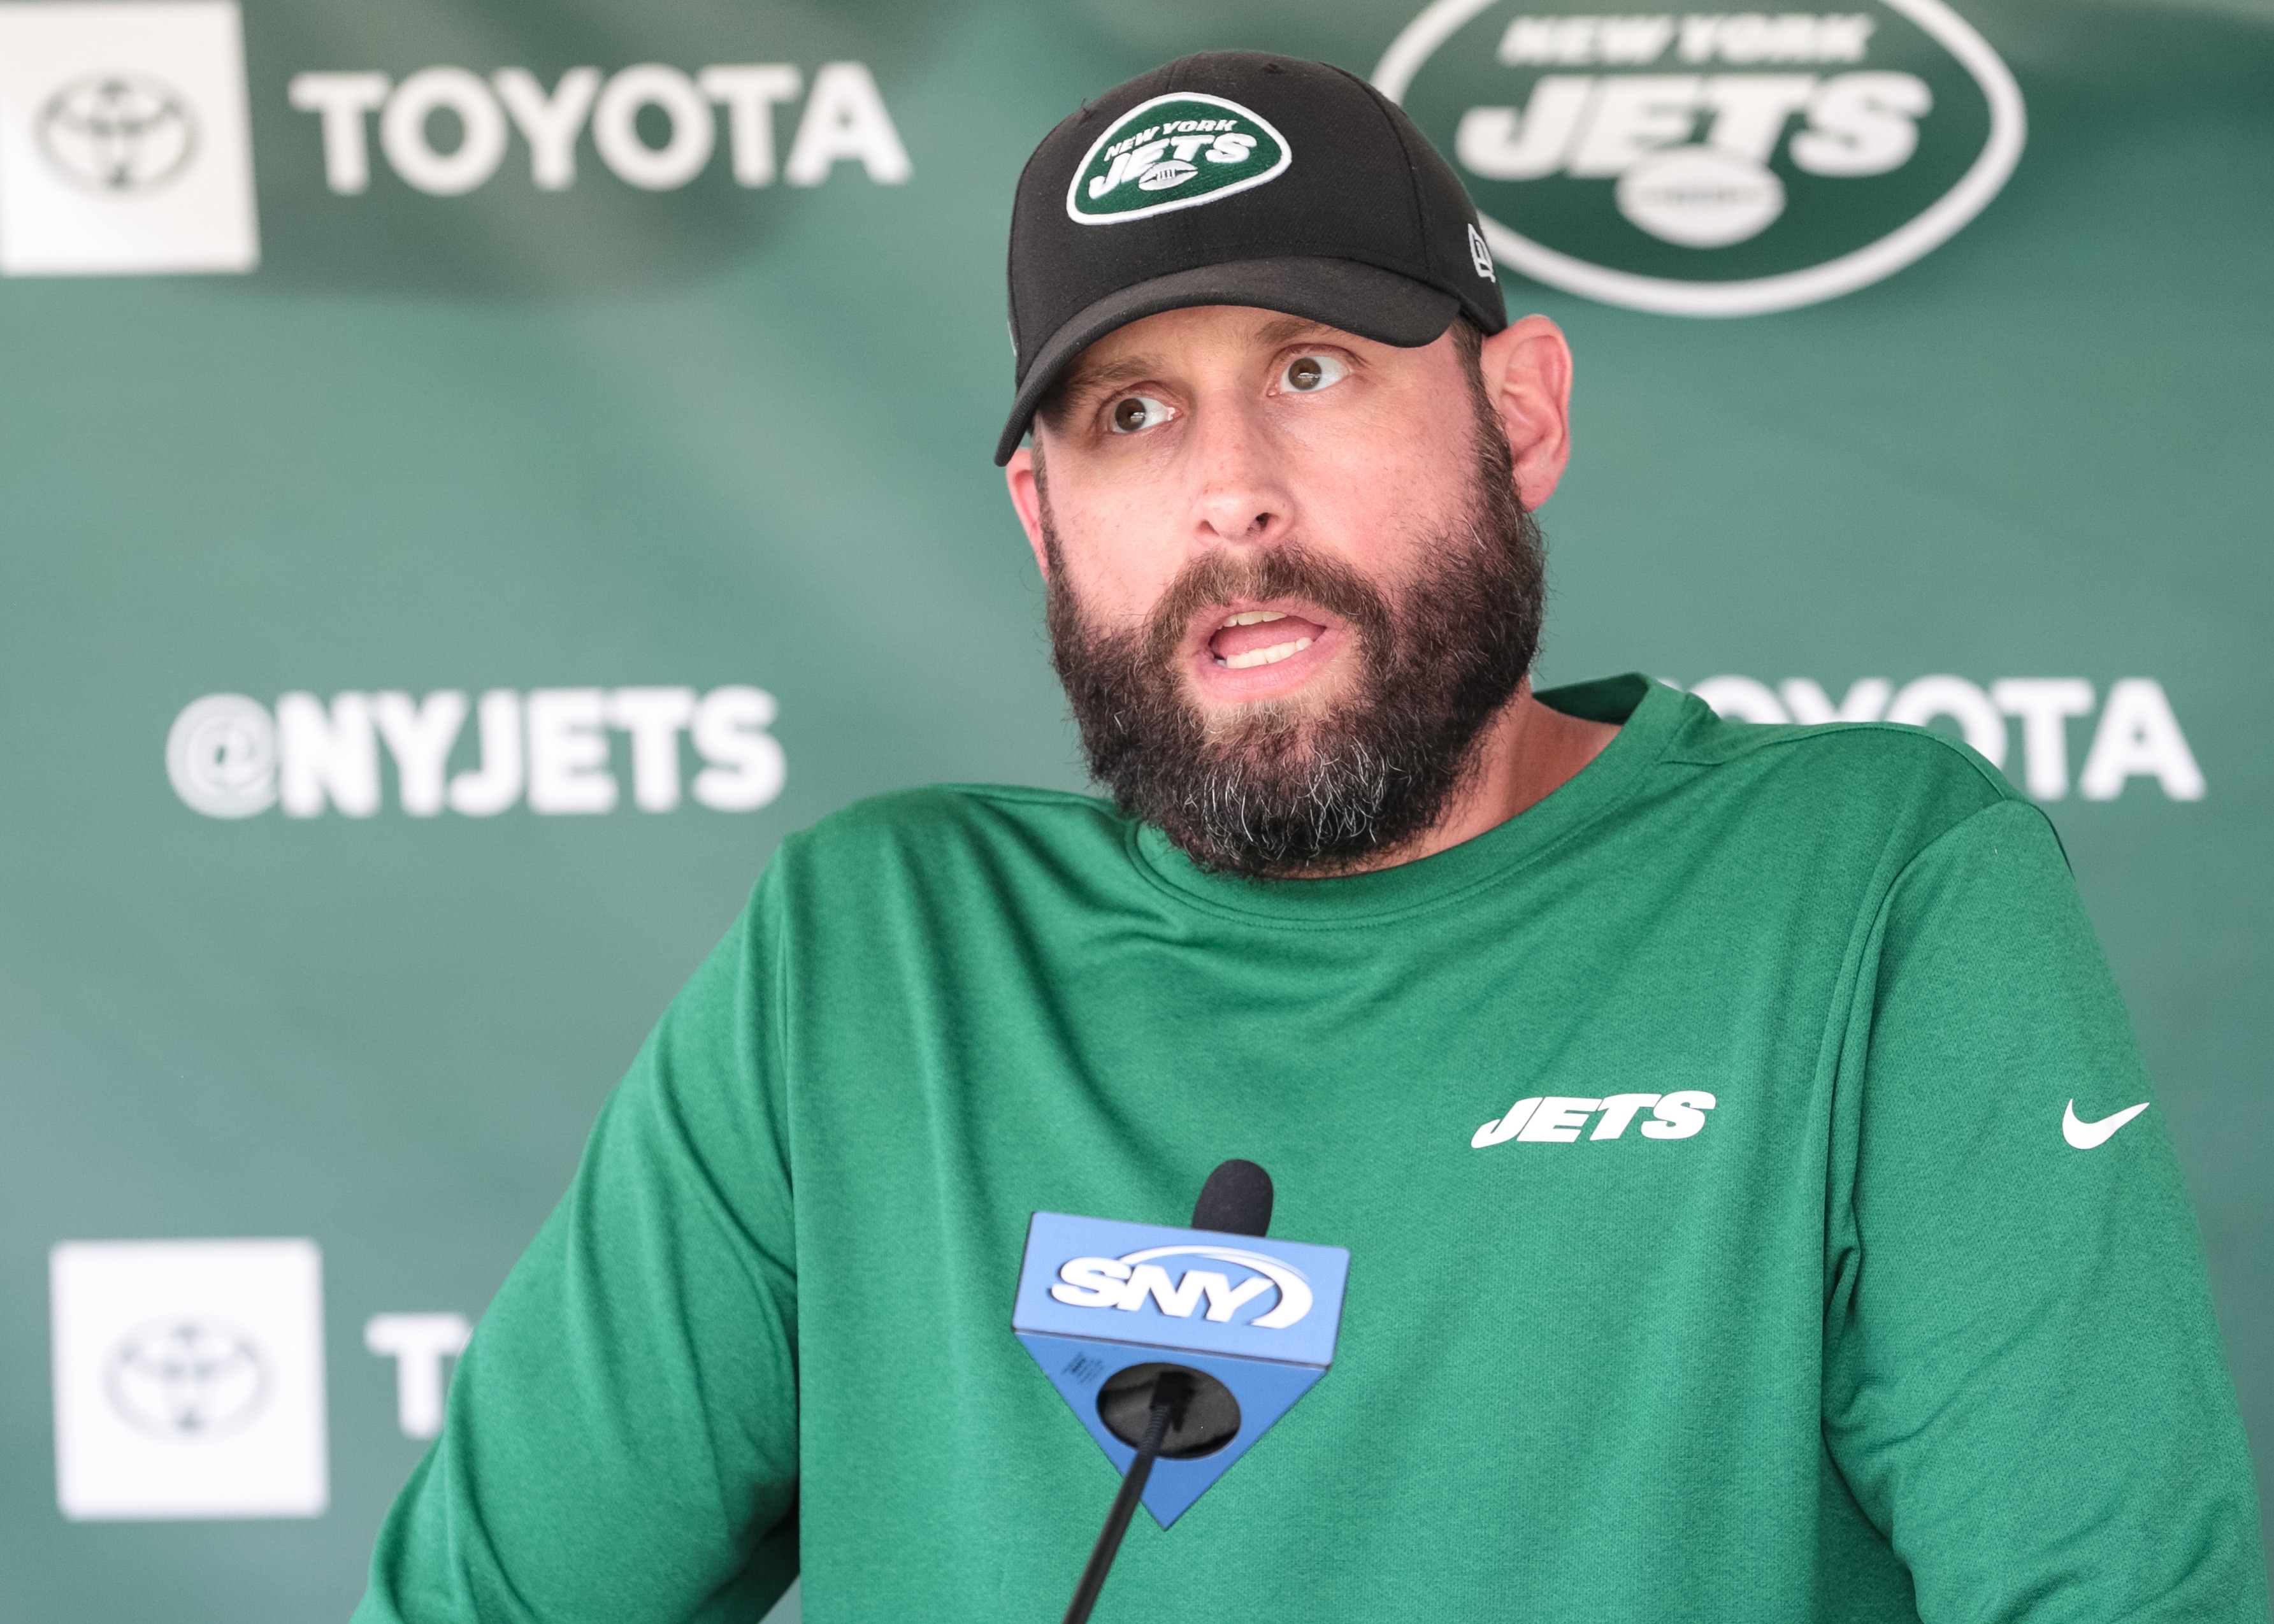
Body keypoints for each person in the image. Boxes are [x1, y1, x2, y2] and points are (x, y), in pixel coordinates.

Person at [353, 52, 2269, 1624]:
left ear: (1517, 418)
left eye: (1307, 370)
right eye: (1128, 414)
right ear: (1041, 518)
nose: (1229, 501)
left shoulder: (1871, 891)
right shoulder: (870, 956)